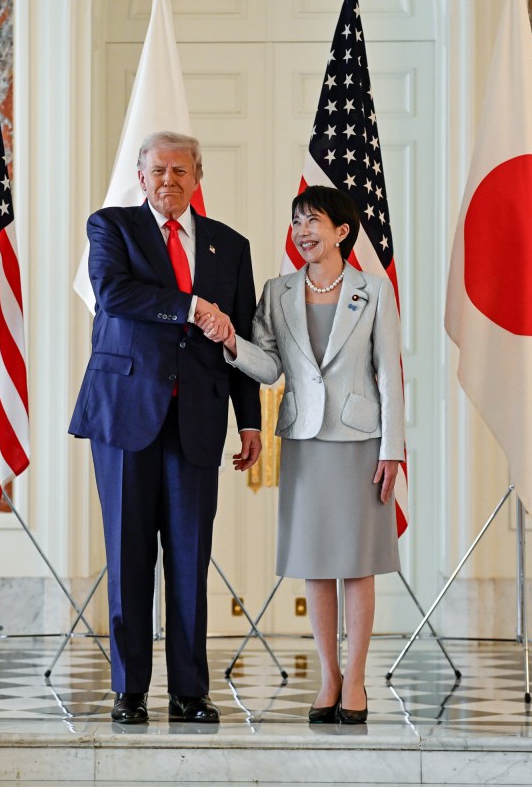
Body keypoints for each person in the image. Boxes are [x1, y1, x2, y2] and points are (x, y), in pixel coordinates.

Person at [69, 131, 262, 724]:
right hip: (126, 416)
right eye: (159, 170)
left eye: (181, 171)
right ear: (141, 173)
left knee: (188, 560)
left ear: (198, 177)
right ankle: (129, 692)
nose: (169, 181)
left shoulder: (230, 246)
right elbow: (113, 292)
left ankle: (189, 691)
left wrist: (249, 421)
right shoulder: (112, 226)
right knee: (128, 559)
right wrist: (192, 307)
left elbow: (241, 338)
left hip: (198, 419)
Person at [199, 185, 404, 724]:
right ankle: (329, 678)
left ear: (341, 230)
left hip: (361, 443)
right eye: (296, 221)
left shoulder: (373, 290)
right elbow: (269, 368)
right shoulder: (277, 292)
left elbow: (389, 375)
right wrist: (229, 340)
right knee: (316, 566)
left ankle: (356, 681)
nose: (303, 231)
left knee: (358, 567)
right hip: (305, 443)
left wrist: (393, 449)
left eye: (313, 221)